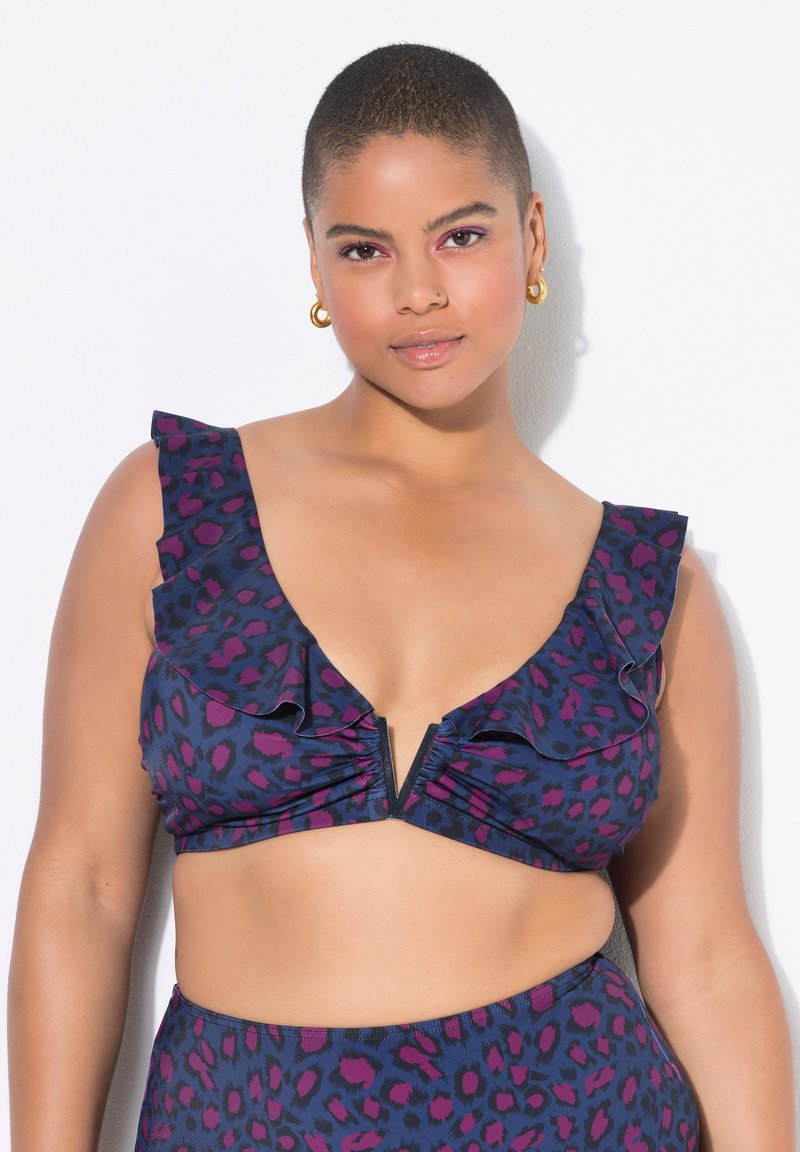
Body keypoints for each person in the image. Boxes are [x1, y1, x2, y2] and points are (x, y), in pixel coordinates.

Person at [8, 41, 795, 1152]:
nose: (418, 291)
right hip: (238, 1124)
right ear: (315, 262)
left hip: (576, 1119)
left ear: (531, 238)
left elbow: (707, 960)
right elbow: (81, 889)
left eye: (460, 236)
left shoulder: (643, 585)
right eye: (365, 249)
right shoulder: (174, 508)